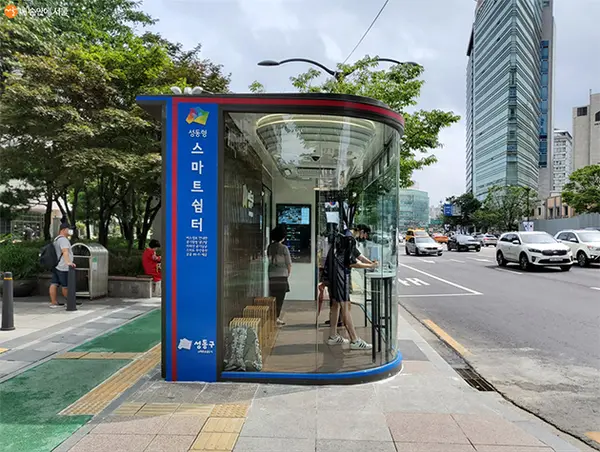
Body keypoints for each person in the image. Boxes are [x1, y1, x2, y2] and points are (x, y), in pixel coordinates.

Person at [323, 230, 378, 350]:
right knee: (345, 306)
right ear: (362, 232)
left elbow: (358, 255)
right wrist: (370, 266)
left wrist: (371, 263)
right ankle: (354, 340)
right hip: (340, 277)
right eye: (365, 235)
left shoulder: (342, 238)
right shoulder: (348, 240)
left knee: (335, 305)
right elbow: (351, 262)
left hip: (333, 276)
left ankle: (333, 336)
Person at [267, 226, 292, 326]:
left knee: (273, 297)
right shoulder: (284, 248)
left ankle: (271, 316)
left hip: (271, 275)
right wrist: (287, 274)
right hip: (282, 276)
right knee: (280, 299)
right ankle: (276, 317)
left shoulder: (270, 247)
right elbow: (288, 264)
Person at [49, 222, 76, 308]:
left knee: (54, 283)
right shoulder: (63, 240)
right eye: (69, 229)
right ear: (64, 230)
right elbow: (65, 251)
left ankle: (53, 302)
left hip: (56, 265)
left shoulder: (56, 239)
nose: (70, 231)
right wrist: (68, 262)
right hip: (63, 267)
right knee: (66, 286)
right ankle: (70, 303)